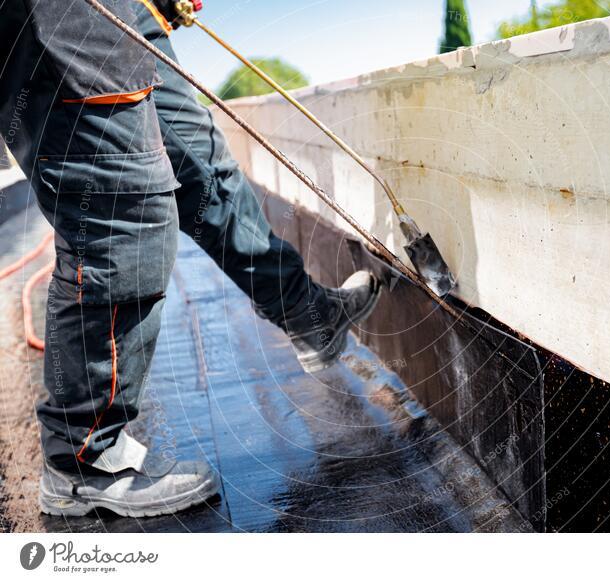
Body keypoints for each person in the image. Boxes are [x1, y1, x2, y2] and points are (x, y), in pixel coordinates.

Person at [0, 0, 381, 518]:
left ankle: (306, 314)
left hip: (122, 14)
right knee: (122, 215)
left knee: (205, 172)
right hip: (50, 18)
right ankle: (81, 460)